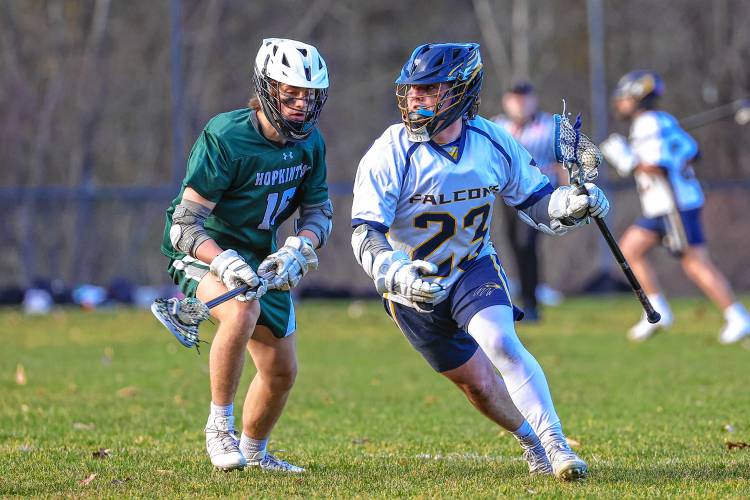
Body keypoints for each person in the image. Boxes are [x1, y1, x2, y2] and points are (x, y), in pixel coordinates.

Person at [351, 42, 610, 480]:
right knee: (480, 386)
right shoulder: (390, 151)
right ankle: (530, 441)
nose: (417, 98)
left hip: (473, 266)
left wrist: (571, 203)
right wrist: (393, 272)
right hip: (412, 285)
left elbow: (536, 200)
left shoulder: (491, 140)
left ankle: (556, 444)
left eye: (431, 89)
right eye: (413, 89)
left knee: (502, 343)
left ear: (462, 92)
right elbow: (364, 230)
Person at [160, 38, 334, 472]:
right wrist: (222, 261)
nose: (299, 105)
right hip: (205, 248)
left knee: (280, 371)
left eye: (308, 96)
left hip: (261, 253)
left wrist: (300, 246)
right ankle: (218, 426)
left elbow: (319, 212)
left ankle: (255, 452)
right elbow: (184, 225)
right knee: (241, 310)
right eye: (289, 93)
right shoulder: (227, 135)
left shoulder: (311, 144)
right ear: (265, 89)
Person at [601, 70, 750, 344]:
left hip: (672, 206)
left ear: (637, 97)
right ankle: (657, 309)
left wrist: (627, 160)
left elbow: (660, 167)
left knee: (695, 263)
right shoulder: (664, 121)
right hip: (667, 205)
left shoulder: (648, 124)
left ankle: (736, 315)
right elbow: (693, 152)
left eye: (624, 98)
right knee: (630, 249)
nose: (620, 103)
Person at [493, 82, 566, 320]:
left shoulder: (548, 126)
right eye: (515, 99)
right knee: (513, 244)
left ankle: (532, 303)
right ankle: (525, 298)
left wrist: (567, 190)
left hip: (538, 193)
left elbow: (564, 160)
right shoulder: (498, 126)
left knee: (527, 244)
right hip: (508, 195)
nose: (520, 104)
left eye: (525, 98)